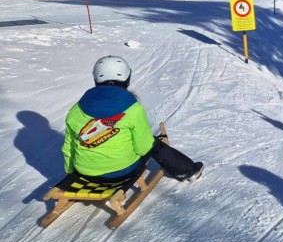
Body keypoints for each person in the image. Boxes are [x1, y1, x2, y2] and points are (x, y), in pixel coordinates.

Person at [62, 56, 204, 184]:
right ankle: (189, 171)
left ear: (96, 79)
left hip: (84, 173)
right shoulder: (132, 108)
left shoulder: (76, 109)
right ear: (127, 79)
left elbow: (69, 146)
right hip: (121, 173)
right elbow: (143, 148)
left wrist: (69, 170)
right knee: (152, 143)